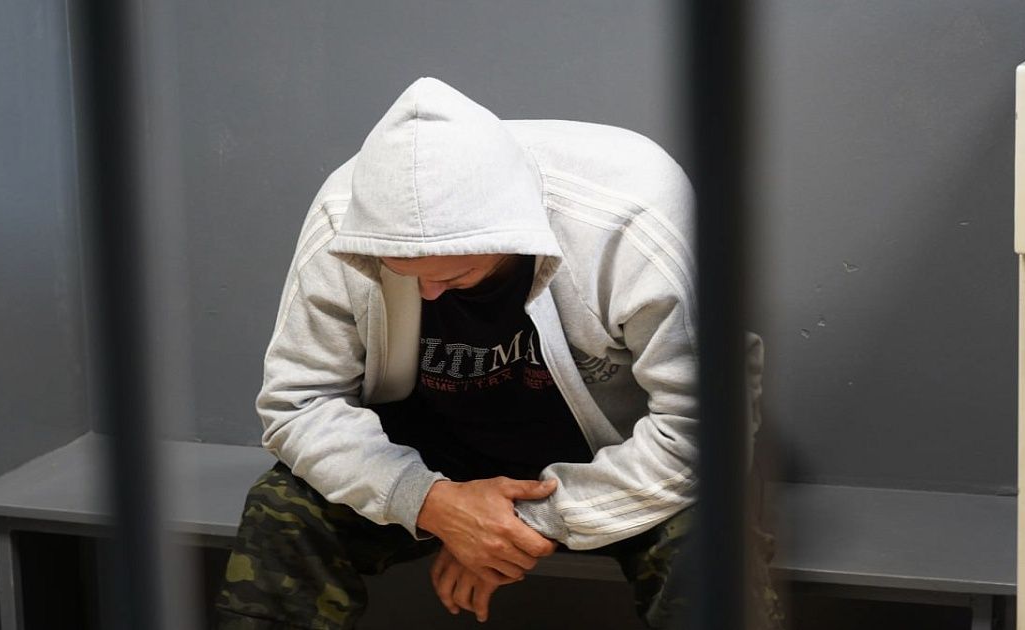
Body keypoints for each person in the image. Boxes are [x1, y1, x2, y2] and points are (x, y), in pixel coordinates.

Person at [215, 77, 783, 629]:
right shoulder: (346, 220)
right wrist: (432, 502)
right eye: (402, 274)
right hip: (435, 452)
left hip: (615, 452)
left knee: (712, 544)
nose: (428, 294)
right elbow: (300, 404)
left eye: (454, 276)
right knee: (284, 511)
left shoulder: (627, 217)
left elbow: (703, 431)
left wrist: (516, 522)